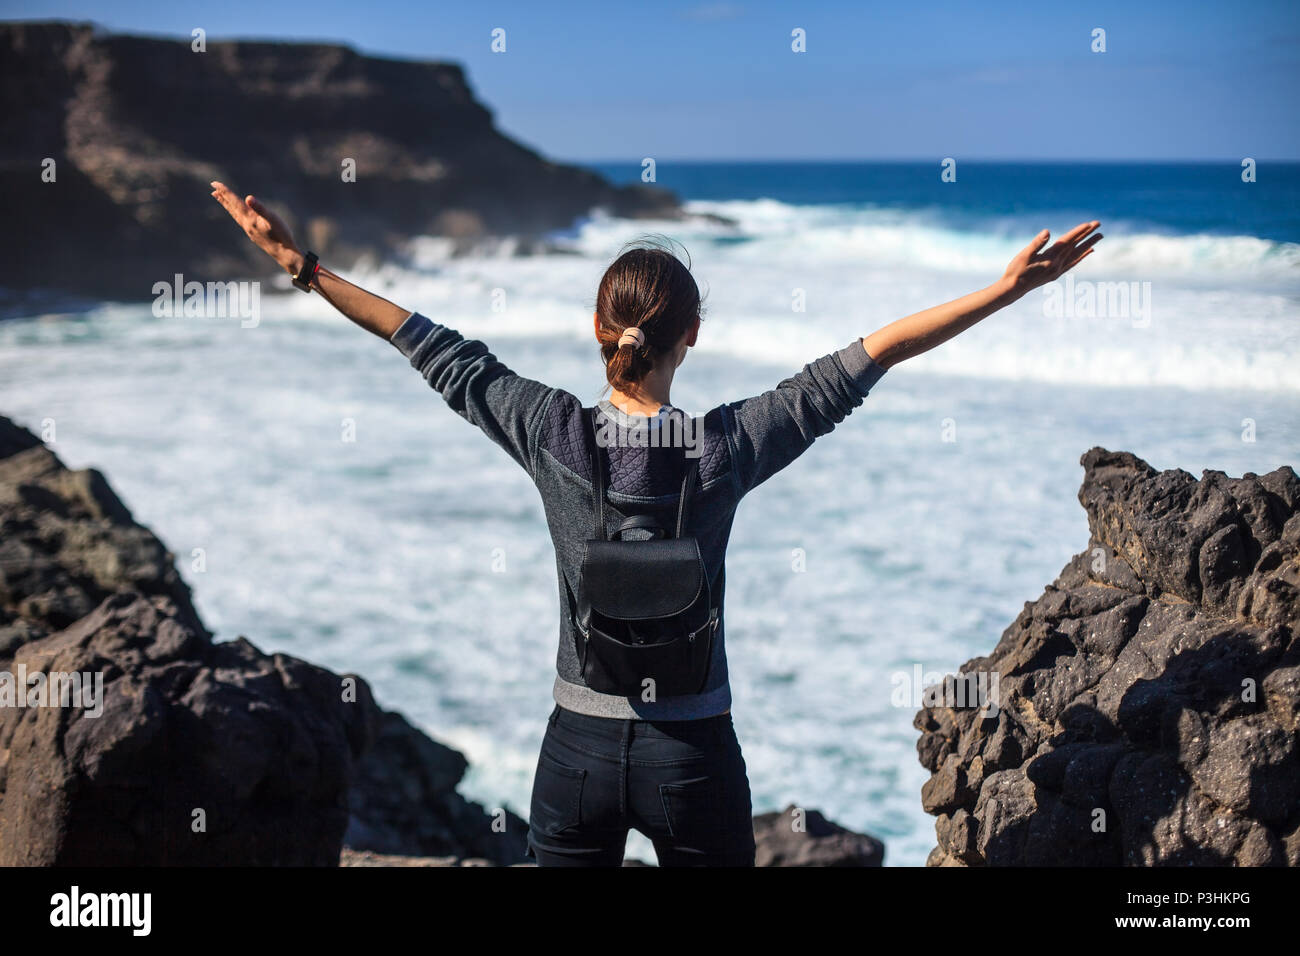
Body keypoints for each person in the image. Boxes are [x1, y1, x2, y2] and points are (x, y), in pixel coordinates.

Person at [211, 181, 1101, 866]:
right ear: (693, 335)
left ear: (599, 330)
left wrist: (300, 267)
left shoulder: (547, 428)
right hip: (694, 757)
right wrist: (1005, 290)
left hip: (577, 755)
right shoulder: (727, 448)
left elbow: (424, 341)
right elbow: (872, 354)